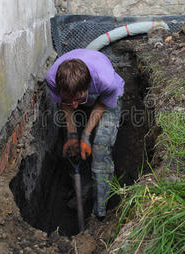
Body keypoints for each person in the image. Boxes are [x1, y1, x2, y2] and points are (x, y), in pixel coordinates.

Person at [45, 48, 125, 219]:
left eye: (79, 100)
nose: (75, 106)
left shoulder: (107, 82)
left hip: (106, 100)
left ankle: (101, 209)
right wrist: (73, 136)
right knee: (75, 151)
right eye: (69, 99)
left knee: (100, 148)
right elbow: (66, 105)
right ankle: (84, 190)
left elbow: (103, 104)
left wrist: (86, 136)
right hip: (80, 93)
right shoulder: (51, 79)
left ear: (87, 87)